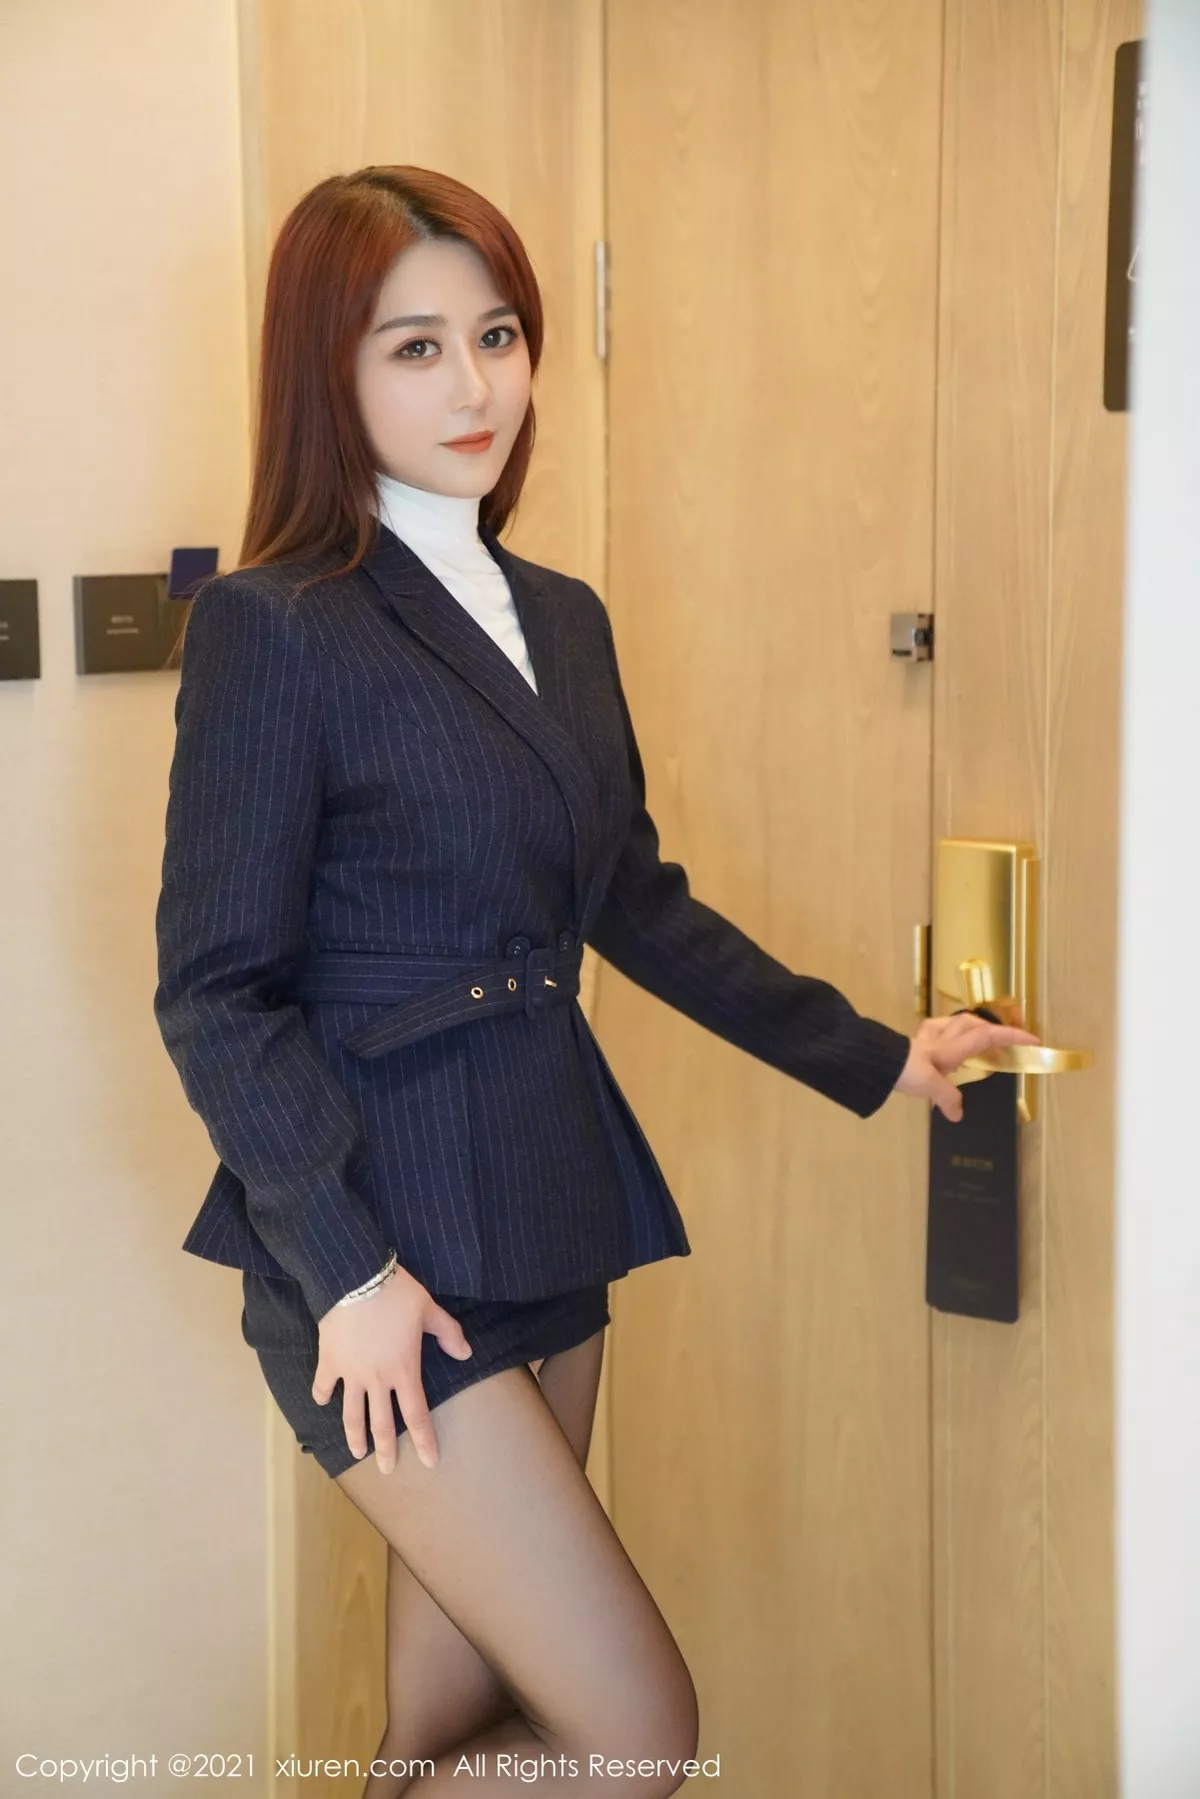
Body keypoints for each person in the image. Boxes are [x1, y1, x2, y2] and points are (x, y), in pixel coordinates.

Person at [153, 166, 1039, 1799]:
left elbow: (630, 897)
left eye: (497, 335)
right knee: (635, 1733)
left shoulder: (561, 618)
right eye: (415, 347)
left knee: (443, 1730)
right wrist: (347, 1271)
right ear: (327, 371)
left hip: (544, 1202)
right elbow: (216, 991)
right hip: (381, 1255)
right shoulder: (274, 627)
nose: (475, 386)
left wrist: (875, 1054)